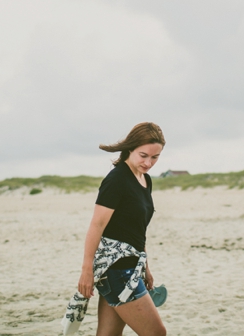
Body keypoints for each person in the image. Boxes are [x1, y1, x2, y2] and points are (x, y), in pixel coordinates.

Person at [62, 122, 167, 336]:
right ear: (130, 149)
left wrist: (145, 267)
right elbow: (97, 225)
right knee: (157, 333)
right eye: (143, 155)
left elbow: (137, 230)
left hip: (130, 267)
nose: (148, 163)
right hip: (117, 271)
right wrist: (86, 270)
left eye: (155, 157)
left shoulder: (145, 180)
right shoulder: (117, 179)